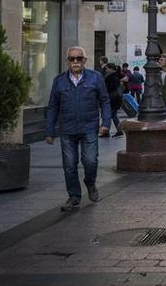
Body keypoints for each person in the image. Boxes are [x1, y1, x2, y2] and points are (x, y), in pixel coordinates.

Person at [45, 46, 113, 211]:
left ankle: (90, 183)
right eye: (72, 59)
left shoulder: (95, 78)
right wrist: (49, 131)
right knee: (69, 165)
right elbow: (53, 107)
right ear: (68, 61)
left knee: (90, 161)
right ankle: (74, 196)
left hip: (89, 127)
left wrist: (105, 123)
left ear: (85, 60)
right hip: (67, 129)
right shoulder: (59, 81)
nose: (75, 61)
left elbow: (105, 101)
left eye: (79, 58)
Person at [102, 63, 123, 138]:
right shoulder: (114, 76)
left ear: (111, 69)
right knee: (113, 116)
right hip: (115, 99)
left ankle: (106, 131)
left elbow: (109, 88)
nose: (106, 70)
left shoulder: (112, 78)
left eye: (107, 68)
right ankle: (116, 131)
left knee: (108, 116)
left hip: (113, 99)